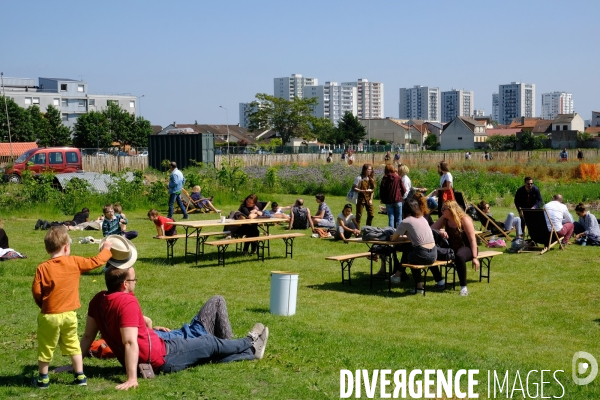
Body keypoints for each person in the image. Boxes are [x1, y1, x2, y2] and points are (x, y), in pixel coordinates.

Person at [80, 239, 268, 391]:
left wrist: (76, 365)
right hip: (160, 358)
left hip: (156, 350)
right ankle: (249, 341)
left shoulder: (98, 300)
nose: (135, 282)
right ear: (124, 285)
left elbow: (88, 336)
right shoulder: (127, 301)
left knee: (206, 355)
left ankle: (251, 353)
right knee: (209, 343)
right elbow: (129, 342)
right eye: (133, 280)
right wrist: (131, 378)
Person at [31, 226, 113, 389]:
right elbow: (96, 261)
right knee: (74, 344)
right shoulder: (74, 261)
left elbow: (36, 291)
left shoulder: (42, 268)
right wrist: (107, 249)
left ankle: (43, 379)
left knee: (46, 347)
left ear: (47, 249)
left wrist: (44, 305)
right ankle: (80, 376)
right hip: (69, 315)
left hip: (49, 315)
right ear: (67, 247)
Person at [390, 198, 445, 292]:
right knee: (411, 250)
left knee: (410, 255)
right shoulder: (423, 218)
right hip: (434, 253)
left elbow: (393, 238)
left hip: (422, 254)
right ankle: (440, 281)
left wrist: (402, 237)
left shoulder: (406, 221)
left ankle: (417, 286)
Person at [431, 200, 480, 296]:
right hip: (452, 249)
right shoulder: (444, 218)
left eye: (443, 209)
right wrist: (440, 231)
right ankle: (440, 282)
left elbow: (472, 240)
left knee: (459, 256)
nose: (441, 211)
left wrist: (475, 257)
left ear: (451, 210)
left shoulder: (464, 219)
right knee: (430, 254)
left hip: (468, 248)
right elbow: (430, 229)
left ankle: (463, 288)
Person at [379, 164, 403, 228]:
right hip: (398, 200)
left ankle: (391, 233)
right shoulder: (398, 177)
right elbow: (404, 189)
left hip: (389, 201)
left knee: (391, 218)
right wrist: (401, 196)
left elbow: (382, 190)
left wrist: (382, 199)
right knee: (399, 218)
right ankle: (399, 233)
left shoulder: (384, 178)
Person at [353, 164, 375, 228]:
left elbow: (373, 190)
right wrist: (361, 190)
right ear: (365, 170)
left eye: (371, 169)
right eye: (369, 169)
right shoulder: (359, 177)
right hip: (360, 198)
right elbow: (354, 187)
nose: (370, 171)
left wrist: (371, 199)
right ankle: (357, 231)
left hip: (368, 198)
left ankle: (367, 229)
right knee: (359, 215)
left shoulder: (371, 178)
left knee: (371, 214)